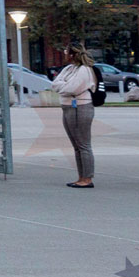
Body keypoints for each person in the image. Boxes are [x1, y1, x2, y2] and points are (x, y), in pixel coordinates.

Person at [50, 46, 99, 188]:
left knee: (83, 144)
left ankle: (87, 178)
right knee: (76, 145)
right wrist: (65, 87)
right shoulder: (68, 69)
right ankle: (81, 176)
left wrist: (64, 87)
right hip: (67, 107)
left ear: (72, 54)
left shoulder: (84, 70)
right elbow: (55, 84)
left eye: (66, 52)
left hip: (81, 107)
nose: (64, 54)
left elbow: (73, 88)